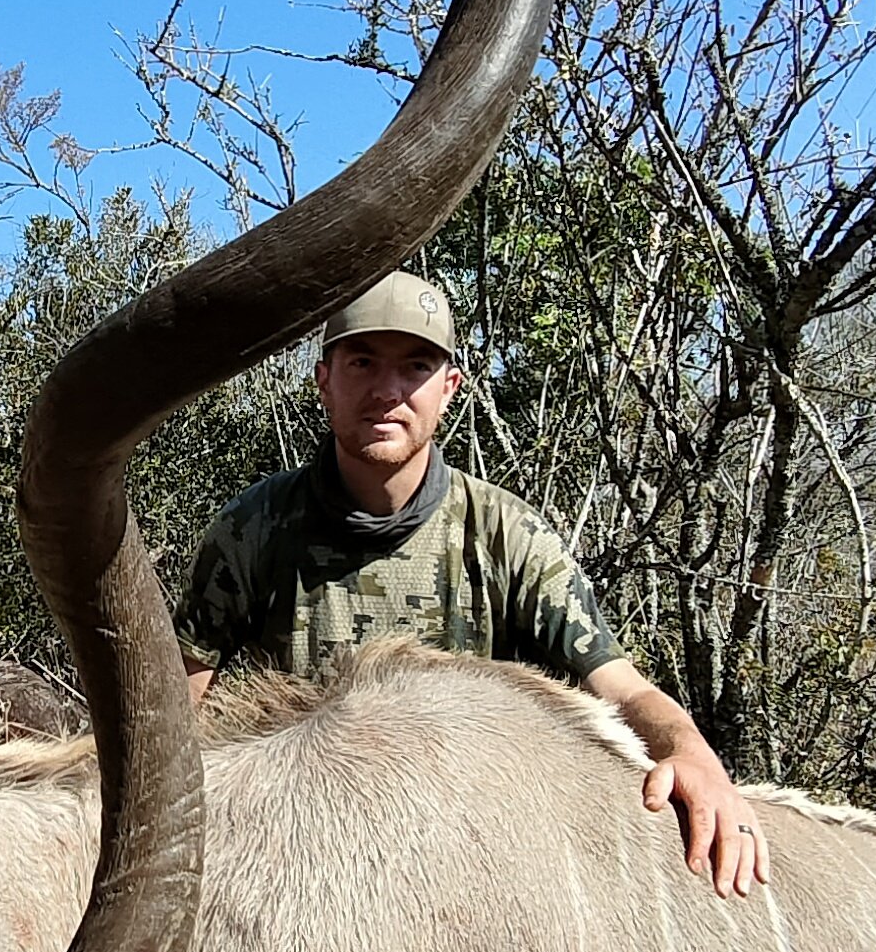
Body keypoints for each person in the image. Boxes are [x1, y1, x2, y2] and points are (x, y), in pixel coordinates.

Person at [177, 272, 771, 896]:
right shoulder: (253, 527)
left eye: (414, 367)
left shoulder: (504, 532)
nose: (387, 390)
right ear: (323, 379)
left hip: (467, 860)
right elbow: (177, 699)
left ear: (449, 387)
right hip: (298, 852)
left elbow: (617, 684)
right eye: (361, 361)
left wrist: (693, 754)